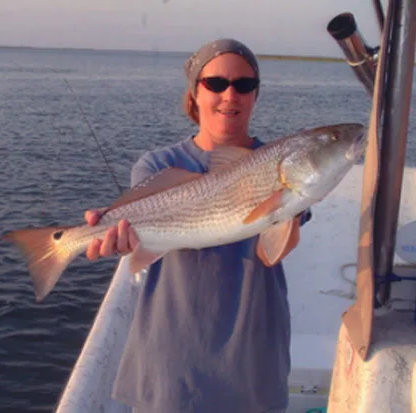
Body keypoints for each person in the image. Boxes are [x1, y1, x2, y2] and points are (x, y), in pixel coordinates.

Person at [84, 38, 310, 413]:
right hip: (173, 357)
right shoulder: (158, 164)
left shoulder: (282, 162)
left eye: (244, 85)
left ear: (256, 94)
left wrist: (297, 199)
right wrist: (117, 238)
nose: (230, 95)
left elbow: (273, 252)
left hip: (254, 355)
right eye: (216, 84)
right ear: (195, 93)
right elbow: (141, 239)